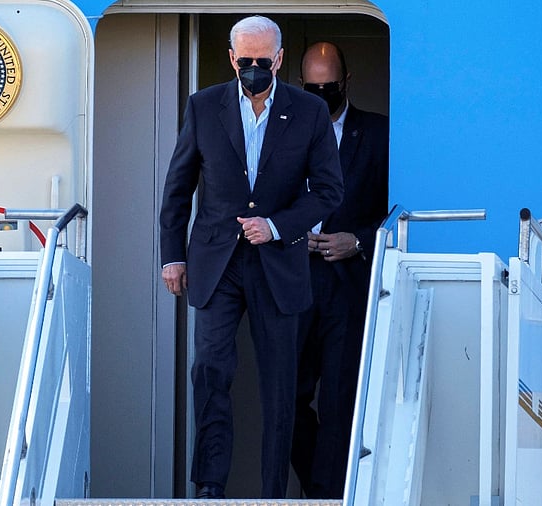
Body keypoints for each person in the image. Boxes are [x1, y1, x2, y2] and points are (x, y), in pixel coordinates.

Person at [159, 16, 344, 499]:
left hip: (279, 262)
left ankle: (272, 492)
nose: (255, 69)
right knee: (210, 371)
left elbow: (328, 190)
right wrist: (172, 257)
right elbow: (178, 189)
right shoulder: (203, 106)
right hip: (216, 263)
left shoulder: (309, 112)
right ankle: (210, 487)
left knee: (281, 385)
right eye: (246, 62)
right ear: (231, 58)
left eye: (264, 61)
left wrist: (278, 225)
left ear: (280, 59)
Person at [290, 41, 389, 499]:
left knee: (340, 404)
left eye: (329, 87)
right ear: (299, 85)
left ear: (346, 83)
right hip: (293, 284)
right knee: (286, 403)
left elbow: (394, 213)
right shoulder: (280, 133)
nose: (322, 93)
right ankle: (317, 488)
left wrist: (358, 241)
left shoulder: (380, 134)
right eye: (312, 87)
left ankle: (329, 495)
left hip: (348, 286)